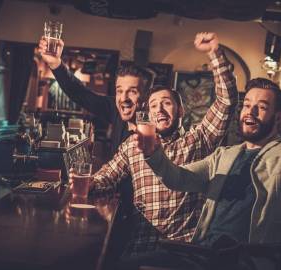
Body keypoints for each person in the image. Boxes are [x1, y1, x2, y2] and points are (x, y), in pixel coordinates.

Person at [70, 32, 238, 268]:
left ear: (181, 112)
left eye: (167, 103)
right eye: (154, 105)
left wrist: (214, 53)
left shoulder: (198, 140)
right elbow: (107, 176)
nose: (159, 109)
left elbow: (226, 102)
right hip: (140, 245)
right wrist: (88, 183)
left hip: (182, 251)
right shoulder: (133, 144)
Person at [139, 77, 281, 268]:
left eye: (261, 107)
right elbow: (178, 178)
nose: (250, 112)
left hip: (247, 261)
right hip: (202, 253)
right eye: (246, 105)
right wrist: (154, 154)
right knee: (124, 264)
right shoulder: (224, 155)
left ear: (278, 117)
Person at [37, 38, 153, 156]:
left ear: (147, 96)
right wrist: (55, 63)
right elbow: (81, 94)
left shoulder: (157, 129)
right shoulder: (115, 108)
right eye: (119, 91)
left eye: (132, 92)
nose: (123, 98)